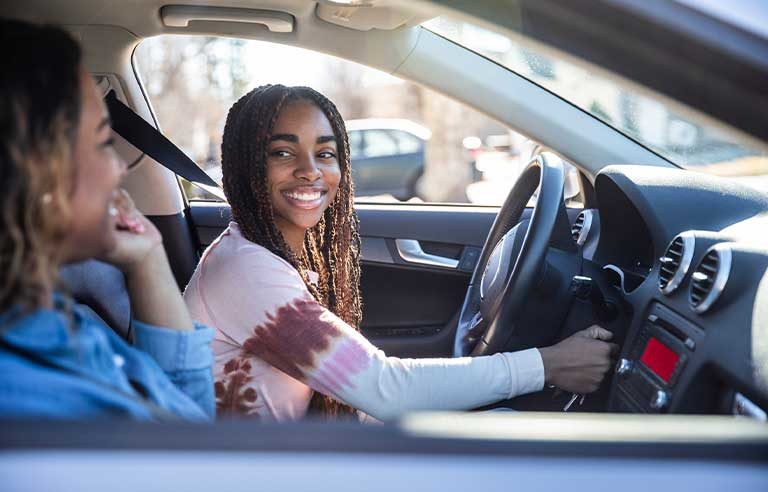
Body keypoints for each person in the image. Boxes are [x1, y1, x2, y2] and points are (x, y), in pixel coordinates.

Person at [184, 84, 616, 421]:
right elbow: (384, 388)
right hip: (255, 471)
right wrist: (548, 365)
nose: (311, 170)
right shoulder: (246, 271)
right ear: (245, 165)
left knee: (503, 431)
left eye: (325, 153)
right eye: (283, 152)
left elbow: (367, 399)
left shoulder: (262, 256)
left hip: (284, 458)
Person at [0, 19, 214, 421]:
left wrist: (147, 257)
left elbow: (187, 421)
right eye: (103, 143)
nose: (119, 170)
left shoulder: (63, 321)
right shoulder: (31, 400)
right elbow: (189, 445)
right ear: (35, 170)